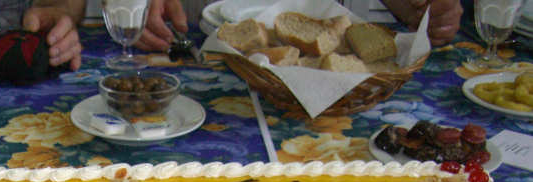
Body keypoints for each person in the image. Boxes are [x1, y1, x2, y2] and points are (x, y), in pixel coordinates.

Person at [140, 0, 463, 47]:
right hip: (199, 50)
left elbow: (416, 8)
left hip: (330, 87)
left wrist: (419, 11)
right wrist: (129, 8)